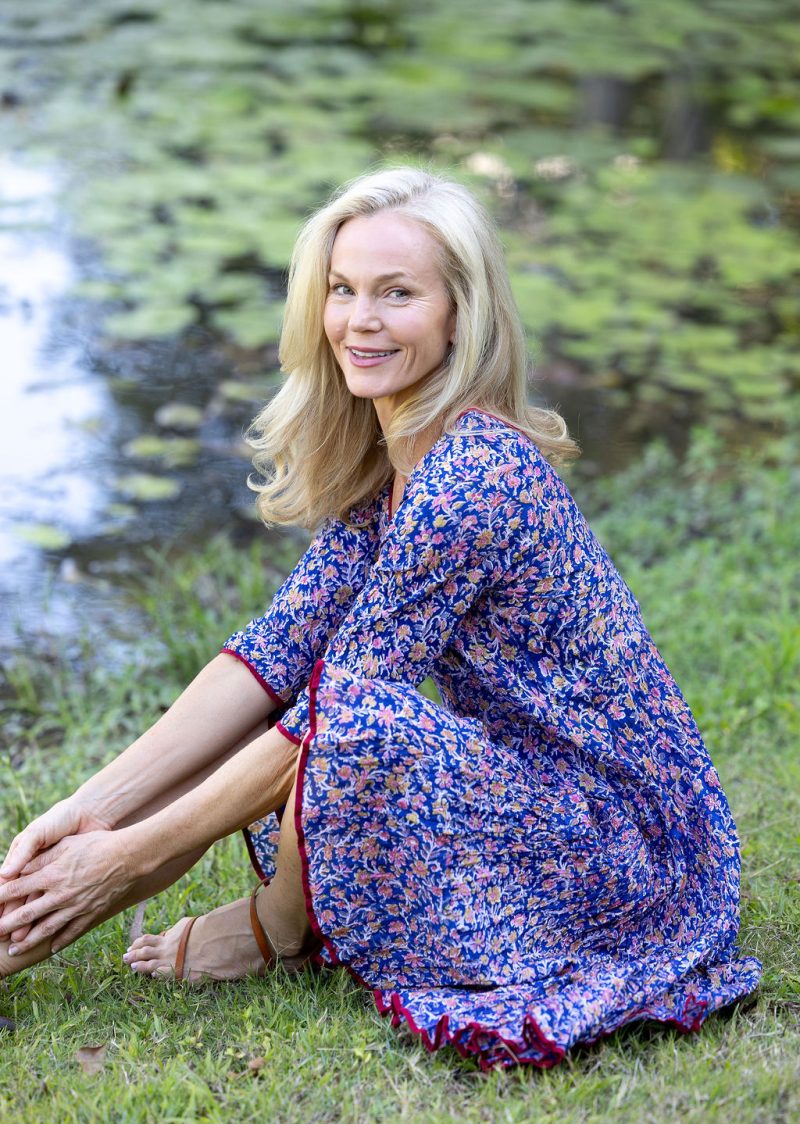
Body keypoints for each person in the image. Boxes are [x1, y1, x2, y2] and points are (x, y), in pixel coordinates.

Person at [0, 167, 760, 1070]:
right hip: (530, 788)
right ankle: (236, 907)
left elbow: (332, 716)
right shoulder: (394, 459)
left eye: (397, 294)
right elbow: (268, 660)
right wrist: (91, 814)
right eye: (343, 289)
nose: (360, 320)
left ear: (458, 316)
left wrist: (129, 865)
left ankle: (277, 929)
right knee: (293, 726)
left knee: (351, 724)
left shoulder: (475, 474)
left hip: (627, 851)